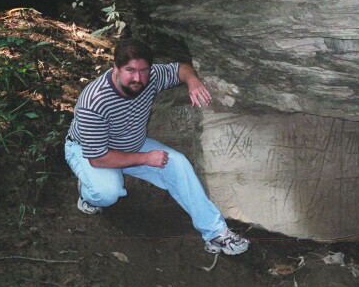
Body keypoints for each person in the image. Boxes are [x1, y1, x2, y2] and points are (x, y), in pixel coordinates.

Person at [64, 39, 249, 255]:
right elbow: (98, 158)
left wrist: (193, 82)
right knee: (107, 192)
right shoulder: (93, 102)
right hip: (89, 151)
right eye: (130, 70)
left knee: (178, 164)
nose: (138, 78)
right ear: (115, 68)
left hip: (133, 144)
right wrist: (145, 159)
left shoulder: (150, 78)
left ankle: (216, 234)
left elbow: (182, 69)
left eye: (143, 70)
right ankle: (87, 190)